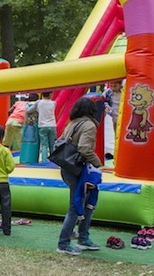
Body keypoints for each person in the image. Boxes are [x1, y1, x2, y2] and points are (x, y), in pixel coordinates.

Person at [56, 97, 104, 256]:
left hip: (68, 168)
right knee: (77, 206)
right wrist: (98, 164)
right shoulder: (89, 125)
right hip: (80, 170)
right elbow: (84, 149)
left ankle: (83, 238)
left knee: (84, 204)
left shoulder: (72, 124)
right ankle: (64, 243)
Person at [36, 92, 57, 164]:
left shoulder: (39, 103)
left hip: (42, 125)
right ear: (50, 94)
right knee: (52, 144)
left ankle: (44, 161)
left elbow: (35, 110)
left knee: (44, 145)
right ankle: (54, 160)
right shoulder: (54, 103)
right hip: (52, 125)